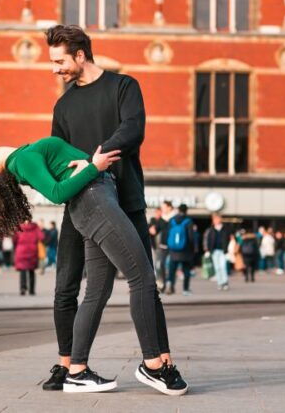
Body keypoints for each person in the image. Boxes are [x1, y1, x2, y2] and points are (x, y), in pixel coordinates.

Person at [0, 137, 188, 396]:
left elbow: (61, 180)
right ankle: (153, 365)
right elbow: (56, 193)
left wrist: (85, 166)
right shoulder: (21, 160)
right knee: (142, 278)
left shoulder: (22, 157)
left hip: (91, 204)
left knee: (97, 292)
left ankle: (77, 371)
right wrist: (94, 167)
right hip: (95, 203)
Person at [42, 25, 173, 392]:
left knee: (145, 281)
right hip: (78, 204)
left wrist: (92, 160)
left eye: (59, 61)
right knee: (66, 288)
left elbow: (133, 130)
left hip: (126, 198)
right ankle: (68, 365)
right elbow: (57, 155)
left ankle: (162, 360)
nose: (55, 69)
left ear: (80, 55)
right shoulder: (63, 105)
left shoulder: (123, 87)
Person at [165, 204, 197, 295]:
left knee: (172, 270)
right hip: (185, 251)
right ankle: (185, 289)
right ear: (186, 210)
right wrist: (192, 249)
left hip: (173, 250)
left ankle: (170, 284)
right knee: (186, 270)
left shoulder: (172, 220)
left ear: (178, 210)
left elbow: (168, 234)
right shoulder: (188, 221)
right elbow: (191, 237)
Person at [14, 221, 43, 295]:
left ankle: (23, 288)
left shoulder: (19, 227)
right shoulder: (35, 227)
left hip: (21, 251)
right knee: (31, 270)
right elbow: (41, 237)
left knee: (22, 270)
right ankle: (32, 290)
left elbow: (14, 239)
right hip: (32, 251)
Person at [205, 213, 230, 290]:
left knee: (223, 267)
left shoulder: (225, 229)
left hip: (223, 251)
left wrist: (227, 250)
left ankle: (225, 282)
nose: (216, 220)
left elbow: (228, 239)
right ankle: (220, 283)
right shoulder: (211, 230)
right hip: (214, 251)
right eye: (214, 219)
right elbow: (208, 240)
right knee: (217, 267)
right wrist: (208, 250)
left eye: (217, 219)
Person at [155, 201, 174, 291]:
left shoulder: (175, 218)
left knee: (170, 266)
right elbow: (156, 230)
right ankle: (164, 284)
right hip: (163, 246)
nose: (162, 209)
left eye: (164, 207)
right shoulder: (161, 219)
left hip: (173, 246)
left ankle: (170, 285)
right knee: (161, 265)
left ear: (169, 207)